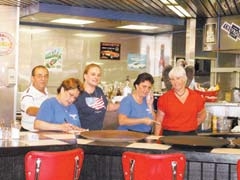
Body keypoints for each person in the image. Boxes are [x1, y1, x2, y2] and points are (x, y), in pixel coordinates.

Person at [154, 66, 206, 136]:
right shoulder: (164, 98)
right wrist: (156, 140)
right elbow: (159, 121)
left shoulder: (196, 98)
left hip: (190, 136)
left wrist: (190, 125)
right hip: (169, 136)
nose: (175, 82)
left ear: (184, 79)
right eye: (172, 79)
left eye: (178, 78)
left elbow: (202, 115)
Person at [74, 63, 119, 130]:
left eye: (98, 75)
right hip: (81, 135)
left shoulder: (99, 90)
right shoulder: (77, 92)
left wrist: (125, 103)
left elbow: (106, 106)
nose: (96, 77)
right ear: (85, 76)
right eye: (93, 74)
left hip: (97, 133)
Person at [20, 65, 49, 131]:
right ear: (33, 78)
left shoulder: (46, 91)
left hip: (43, 131)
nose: (43, 79)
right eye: (39, 76)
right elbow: (30, 110)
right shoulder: (28, 95)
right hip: (30, 133)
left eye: (46, 76)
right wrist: (50, 111)